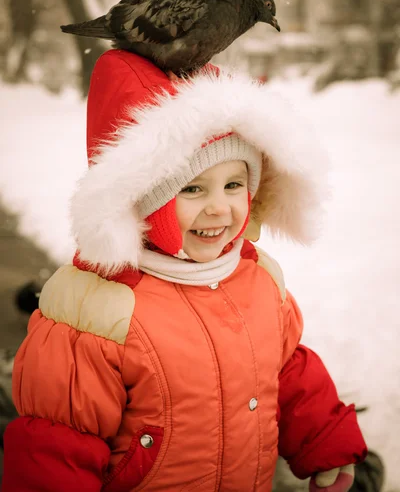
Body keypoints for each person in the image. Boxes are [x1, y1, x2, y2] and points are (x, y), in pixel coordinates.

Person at [2, 49, 367, 492]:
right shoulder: (97, 311)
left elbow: (287, 375)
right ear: (144, 200)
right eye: (192, 188)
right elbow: (58, 444)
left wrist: (324, 442)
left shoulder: (257, 280)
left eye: (234, 185)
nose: (219, 207)